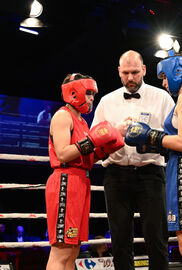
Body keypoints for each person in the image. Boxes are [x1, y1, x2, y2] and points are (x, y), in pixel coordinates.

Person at [125, 49, 182, 270]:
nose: (164, 83)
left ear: (177, 71)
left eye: (164, 77)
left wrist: (151, 135)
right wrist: (152, 140)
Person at [91, 50, 175, 270]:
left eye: (135, 72)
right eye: (126, 72)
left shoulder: (162, 98)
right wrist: (115, 133)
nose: (130, 78)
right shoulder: (107, 102)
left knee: (157, 238)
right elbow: (93, 141)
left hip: (151, 173)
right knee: (119, 240)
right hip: (116, 174)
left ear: (144, 70)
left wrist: (150, 137)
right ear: (119, 72)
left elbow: (176, 136)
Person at [45, 73, 125, 270]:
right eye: (88, 93)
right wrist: (92, 140)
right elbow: (63, 154)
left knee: (73, 250)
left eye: (93, 94)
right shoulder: (63, 115)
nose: (91, 98)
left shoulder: (81, 121)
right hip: (65, 181)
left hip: (81, 182)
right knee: (61, 251)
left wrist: (105, 149)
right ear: (74, 92)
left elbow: (85, 158)